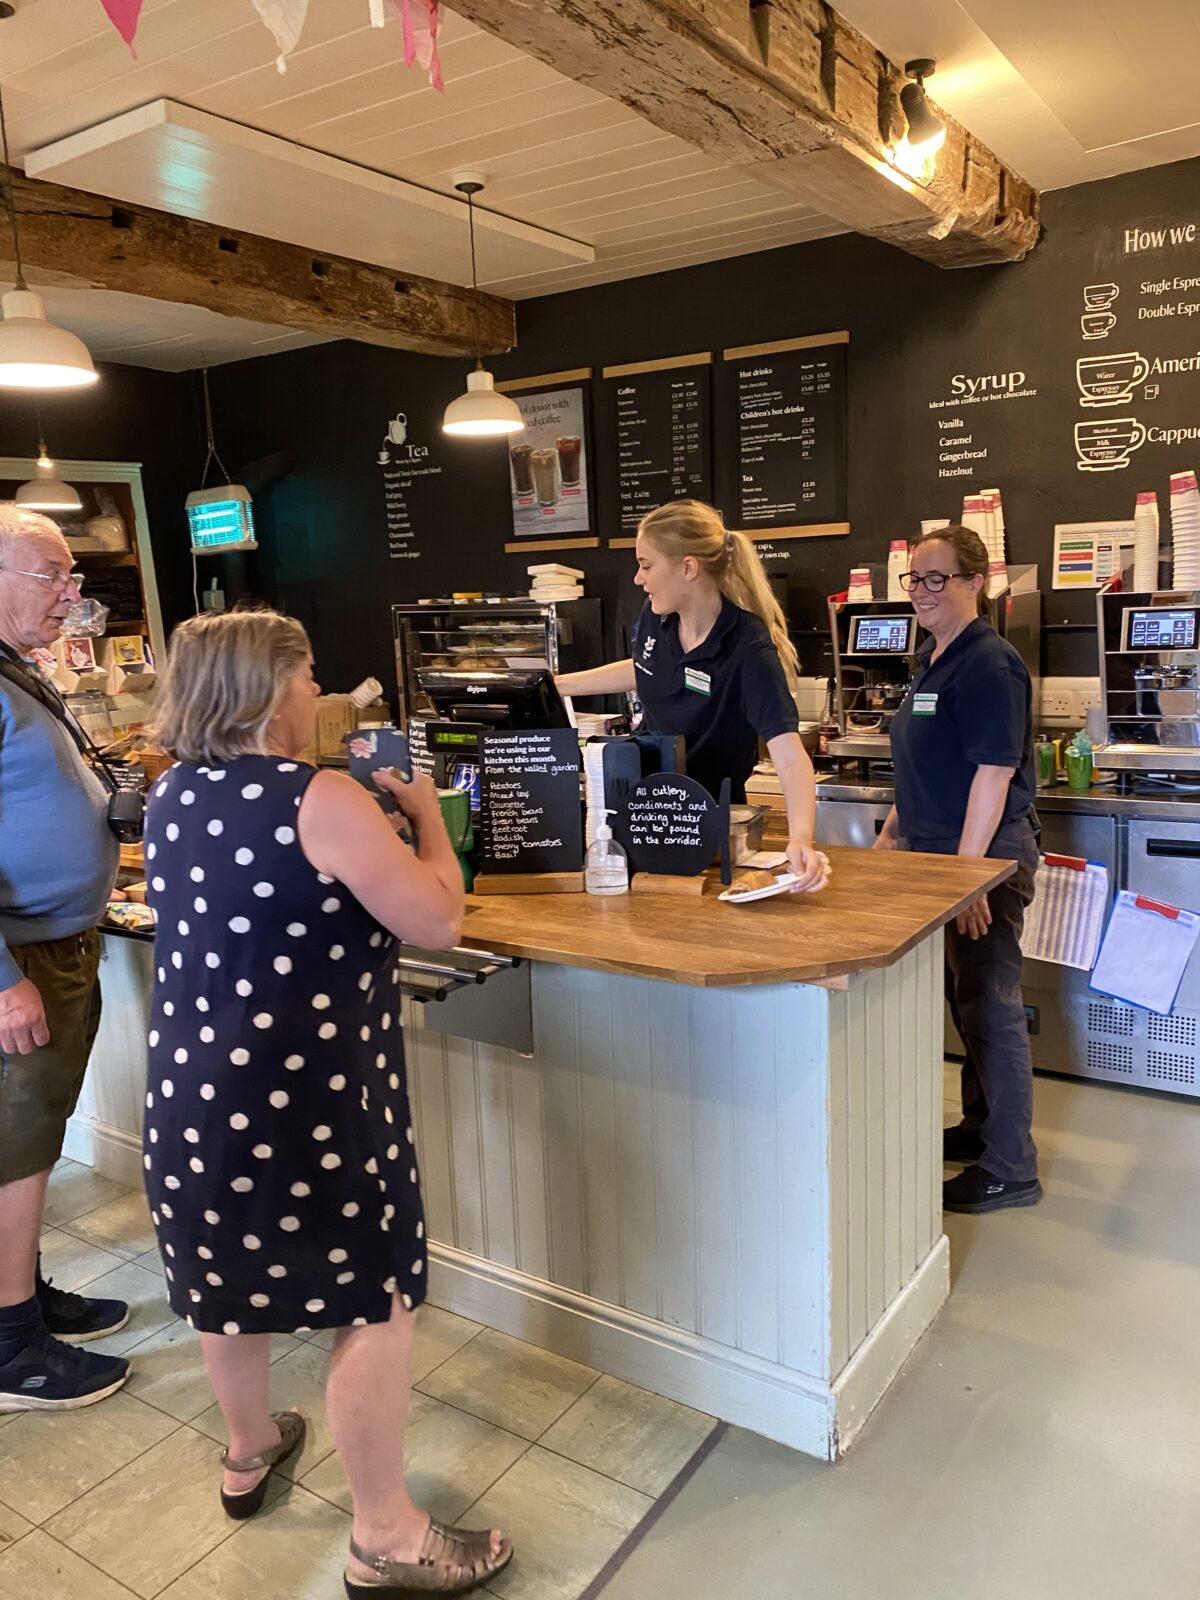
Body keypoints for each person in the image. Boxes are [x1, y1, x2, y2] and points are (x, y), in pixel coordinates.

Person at [143, 609, 510, 1597]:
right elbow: (436, 916)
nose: (320, 691)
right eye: (307, 674)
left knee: (226, 1283)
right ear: (268, 690)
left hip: (192, 1097)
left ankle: (249, 1444)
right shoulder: (325, 797)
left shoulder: (170, 793)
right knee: (372, 1297)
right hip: (307, 1101)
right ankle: (385, 1534)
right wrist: (427, 812)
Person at [0, 505, 131, 1415]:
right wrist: (3, 983)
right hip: (21, 960)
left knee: (32, 1144)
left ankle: (23, 1295)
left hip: (58, 944)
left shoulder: (16, 673)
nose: (70, 595)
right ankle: (12, 1348)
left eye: (70, 577)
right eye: (52, 575)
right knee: (15, 1151)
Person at [874, 524, 1041, 1215]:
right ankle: (982, 1129)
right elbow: (922, 765)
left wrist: (965, 877)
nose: (921, 591)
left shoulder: (988, 663)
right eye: (914, 579)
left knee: (991, 1004)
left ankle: (1011, 1167)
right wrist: (889, 835)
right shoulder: (933, 657)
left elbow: (993, 774)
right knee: (964, 997)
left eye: (937, 578)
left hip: (983, 854)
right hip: (936, 853)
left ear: (977, 583)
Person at [557, 499, 824, 889]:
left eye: (646, 565)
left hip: (709, 832)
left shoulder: (747, 649)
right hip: (645, 813)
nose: (637, 578)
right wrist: (561, 684)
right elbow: (648, 670)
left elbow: (788, 753)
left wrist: (802, 838)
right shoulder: (656, 617)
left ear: (688, 568)